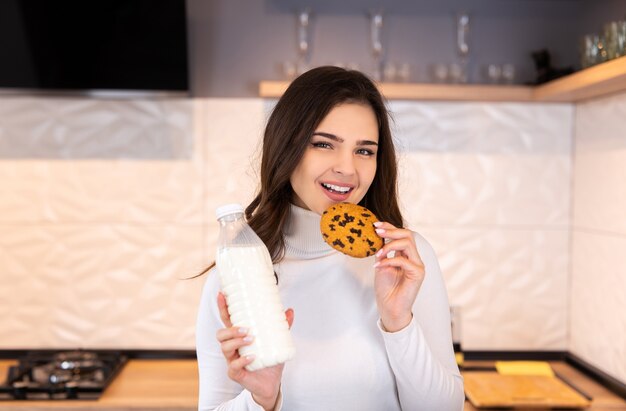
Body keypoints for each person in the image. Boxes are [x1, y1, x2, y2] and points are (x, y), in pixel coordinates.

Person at [196, 66, 464, 410]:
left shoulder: (403, 262)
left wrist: (399, 323)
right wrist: (261, 400)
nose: (347, 168)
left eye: (364, 150)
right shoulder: (234, 278)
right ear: (286, 148)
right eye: (324, 144)